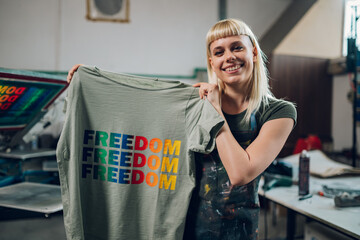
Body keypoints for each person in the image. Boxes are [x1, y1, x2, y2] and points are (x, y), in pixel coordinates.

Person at [66, 18, 296, 240]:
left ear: (253, 52)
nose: (229, 57)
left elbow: (240, 173)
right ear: (212, 62)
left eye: (237, 48)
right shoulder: (195, 102)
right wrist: (94, 81)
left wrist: (214, 112)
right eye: (219, 52)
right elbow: (143, 98)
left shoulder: (279, 112)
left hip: (237, 230)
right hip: (181, 225)